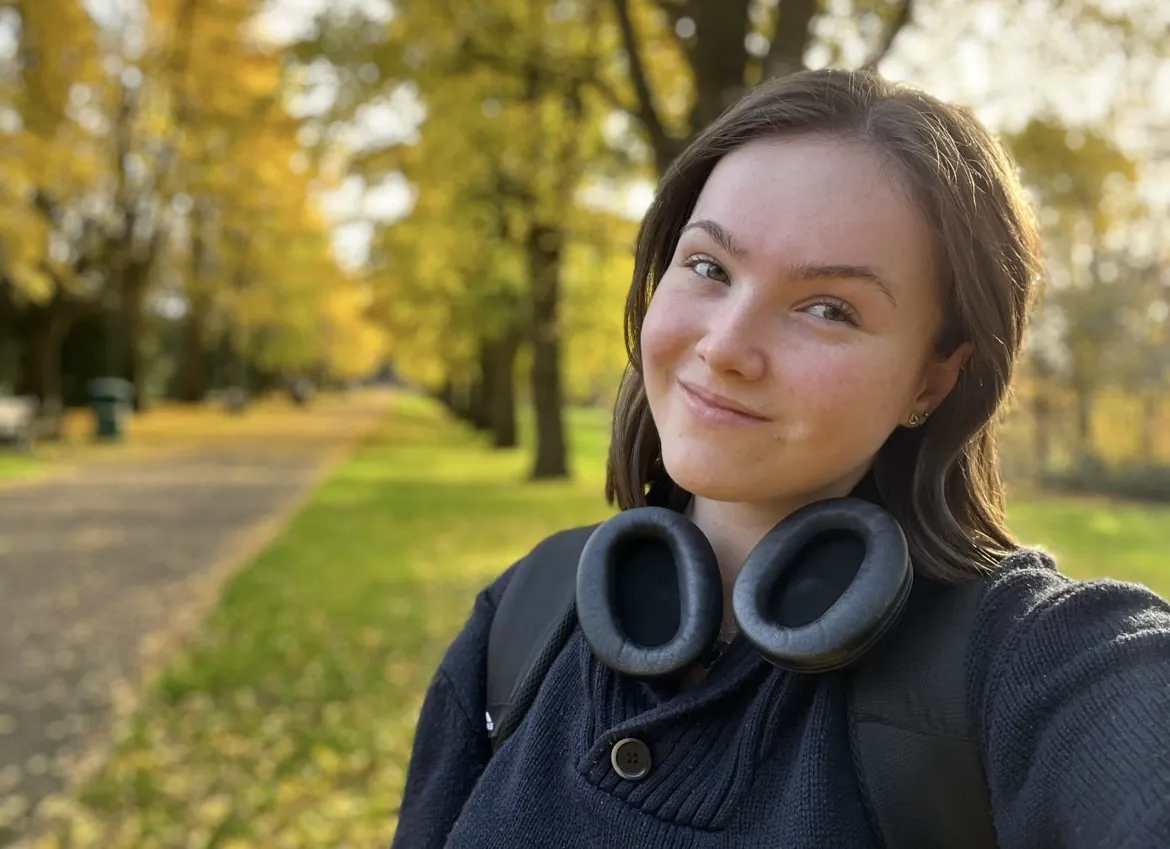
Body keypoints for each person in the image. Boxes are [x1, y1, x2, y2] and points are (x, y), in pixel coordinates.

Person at [390, 68, 1170, 848]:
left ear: (935, 377)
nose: (726, 346)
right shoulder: (521, 618)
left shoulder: (1033, 662)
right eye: (708, 267)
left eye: (828, 308)